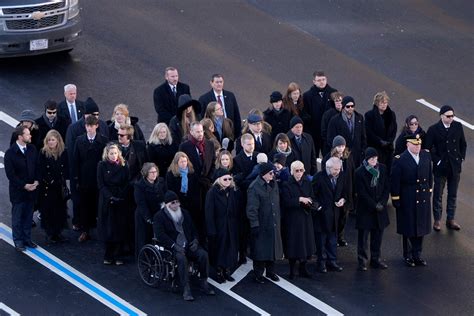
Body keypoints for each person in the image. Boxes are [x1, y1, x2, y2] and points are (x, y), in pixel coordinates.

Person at [154, 191, 215, 301]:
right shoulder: (159, 216)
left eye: (177, 202)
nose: (176, 204)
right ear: (167, 204)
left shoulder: (185, 213)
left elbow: (193, 229)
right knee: (181, 259)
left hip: (187, 244)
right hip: (171, 247)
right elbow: (160, 235)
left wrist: (195, 240)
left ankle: (203, 281)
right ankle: (186, 288)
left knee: (203, 255)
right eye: (173, 202)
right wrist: (174, 245)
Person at [65, 97, 109, 231]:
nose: (96, 118)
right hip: (81, 172)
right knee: (79, 200)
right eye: (92, 115)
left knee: (96, 198)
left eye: (97, 115)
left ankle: (93, 221)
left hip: (97, 172)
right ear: (85, 115)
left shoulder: (103, 126)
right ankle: (79, 222)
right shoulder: (74, 129)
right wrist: (75, 176)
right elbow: (72, 156)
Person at [391, 134, 432, 267]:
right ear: (408, 144)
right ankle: (408, 255)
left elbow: (429, 176)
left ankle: (417, 254)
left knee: (420, 227)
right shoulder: (400, 159)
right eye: (415, 144)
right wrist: (396, 199)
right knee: (409, 228)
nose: (418, 146)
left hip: (422, 197)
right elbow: (395, 181)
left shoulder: (426, 156)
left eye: (419, 144)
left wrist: (429, 191)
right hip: (408, 197)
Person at [425, 105, 467, 231]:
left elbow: (463, 144)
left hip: (454, 167)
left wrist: (461, 158)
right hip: (441, 168)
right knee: (438, 194)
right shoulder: (433, 129)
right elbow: (428, 148)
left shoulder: (457, 126)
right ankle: (437, 220)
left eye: (452, 116)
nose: (451, 118)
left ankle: (451, 219)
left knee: (453, 194)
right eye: (448, 116)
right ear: (442, 116)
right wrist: (437, 161)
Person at [72, 115, 108, 242]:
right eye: (87, 126)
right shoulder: (79, 140)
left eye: (92, 126)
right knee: (85, 206)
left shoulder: (103, 141)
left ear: (96, 126)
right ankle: (85, 231)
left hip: (98, 179)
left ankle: (101, 231)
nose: (89, 128)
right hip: (85, 179)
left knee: (100, 206)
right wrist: (76, 179)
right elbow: (75, 161)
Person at [247, 162, 283, 283]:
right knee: (260, 251)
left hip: (273, 222)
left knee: (272, 249)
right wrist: (254, 224)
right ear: (263, 174)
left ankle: (271, 272)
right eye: (270, 173)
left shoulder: (274, 184)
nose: (273, 175)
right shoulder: (254, 187)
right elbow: (252, 209)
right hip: (262, 223)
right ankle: (258, 274)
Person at [4, 126, 39, 252]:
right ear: (20, 137)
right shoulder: (10, 154)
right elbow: (10, 175)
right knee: (18, 217)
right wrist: (24, 185)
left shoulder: (32, 149)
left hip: (31, 190)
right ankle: (18, 240)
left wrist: (36, 181)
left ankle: (27, 239)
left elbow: (36, 166)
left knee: (29, 216)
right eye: (28, 134)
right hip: (18, 192)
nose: (30, 136)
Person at [355, 148, 390, 271]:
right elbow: (362, 193)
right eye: (371, 159)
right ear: (366, 159)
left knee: (377, 236)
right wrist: (374, 205)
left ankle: (376, 259)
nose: (374, 161)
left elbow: (386, 187)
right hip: (366, 210)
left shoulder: (383, 169)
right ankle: (362, 261)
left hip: (380, 209)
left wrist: (382, 203)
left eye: (375, 158)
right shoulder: (359, 172)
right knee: (363, 237)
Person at [280, 161, 316, 279]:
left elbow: (312, 196)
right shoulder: (286, 184)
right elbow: (286, 202)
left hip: (305, 217)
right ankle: (291, 269)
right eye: (297, 170)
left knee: (305, 243)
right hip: (293, 219)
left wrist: (311, 202)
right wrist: (300, 199)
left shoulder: (307, 182)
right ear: (291, 171)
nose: (299, 173)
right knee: (293, 244)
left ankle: (303, 268)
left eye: (301, 170)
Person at [205, 168, 241, 283]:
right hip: (218, 226)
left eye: (230, 179)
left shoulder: (232, 191)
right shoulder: (212, 192)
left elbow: (236, 209)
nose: (228, 181)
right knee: (219, 249)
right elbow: (209, 213)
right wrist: (211, 230)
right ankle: (218, 272)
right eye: (225, 179)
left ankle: (226, 270)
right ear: (219, 180)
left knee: (230, 249)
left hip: (230, 226)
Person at [97, 143, 130, 265]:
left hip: (120, 199)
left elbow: (127, 181)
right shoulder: (101, 165)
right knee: (108, 228)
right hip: (107, 200)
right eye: (111, 153)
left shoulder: (124, 165)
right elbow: (101, 184)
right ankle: (108, 254)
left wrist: (121, 195)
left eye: (115, 153)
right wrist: (110, 196)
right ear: (107, 154)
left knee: (119, 227)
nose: (113, 155)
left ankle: (118, 254)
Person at [312, 157, 346, 273]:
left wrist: (343, 199)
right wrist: (319, 207)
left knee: (332, 239)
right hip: (322, 215)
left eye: (339, 169)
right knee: (321, 241)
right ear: (328, 168)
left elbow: (344, 191)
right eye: (335, 169)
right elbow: (313, 195)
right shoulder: (319, 177)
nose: (337, 172)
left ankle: (332, 261)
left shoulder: (341, 176)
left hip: (335, 214)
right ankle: (321, 263)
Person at [321, 135, 355, 247]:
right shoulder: (327, 158)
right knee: (334, 216)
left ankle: (340, 236)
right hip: (334, 190)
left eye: (343, 146)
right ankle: (333, 237)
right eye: (339, 146)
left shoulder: (348, 157)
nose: (341, 148)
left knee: (344, 216)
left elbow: (352, 172)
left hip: (347, 189)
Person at [37, 130, 69, 243]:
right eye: (49, 140)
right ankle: (50, 233)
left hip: (59, 187)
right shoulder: (43, 152)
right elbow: (41, 170)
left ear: (58, 141)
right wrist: (49, 181)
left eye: (53, 140)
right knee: (48, 211)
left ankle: (58, 232)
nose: (51, 142)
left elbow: (66, 168)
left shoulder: (63, 152)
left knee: (60, 210)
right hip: (47, 187)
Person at [233, 133, 258, 264]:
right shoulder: (237, 160)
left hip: (257, 199)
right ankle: (242, 253)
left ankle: (254, 251)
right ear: (242, 145)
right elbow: (239, 180)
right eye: (249, 144)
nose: (251, 147)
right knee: (243, 228)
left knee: (254, 227)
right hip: (244, 199)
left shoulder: (258, 157)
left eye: (253, 144)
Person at [134, 163, 167, 257]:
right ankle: (144, 258)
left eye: (155, 171)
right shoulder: (139, 185)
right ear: (146, 174)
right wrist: (148, 218)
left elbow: (165, 195)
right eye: (151, 172)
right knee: (144, 238)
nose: (154, 174)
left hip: (158, 213)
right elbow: (141, 203)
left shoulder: (161, 182)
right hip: (144, 215)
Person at [302, 70, 338, 157]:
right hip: (314, 133)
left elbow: (337, 111)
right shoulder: (307, 95)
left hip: (328, 133)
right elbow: (305, 113)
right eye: (319, 80)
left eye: (323, 79)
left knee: (330, 157)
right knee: (313, 157)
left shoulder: (333, 93)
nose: (322, 82)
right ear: (314, 81)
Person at [327, 96, 366, 167]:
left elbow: (363, 136)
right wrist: (338, 153)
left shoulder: (359, 118)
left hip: (357, 155)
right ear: (343, 107)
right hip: (342, 155)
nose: (350, 108)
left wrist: (362, 151)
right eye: (348, 106)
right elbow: (330, 138)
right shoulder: (335, 120)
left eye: (352, 106)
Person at [198, 73, 242, 138]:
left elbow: (236, 116)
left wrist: (238, 135)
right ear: (211, 83)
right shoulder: (204, 98)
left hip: (229, 132)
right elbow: (201, 118)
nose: (219, 84)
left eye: (221, 82)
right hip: (213, 134)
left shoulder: (230, 96)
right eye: (217, 82)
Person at [166, 152, 200, 232]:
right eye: (181, 162)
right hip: (178, 201)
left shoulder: (192, 172)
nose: (184, 163)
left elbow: (196, 189)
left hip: (191, 201)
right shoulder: (171, 174)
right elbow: (170, 189)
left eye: (185, 161)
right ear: (176, 163)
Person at [364, 91, 397, 174]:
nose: (384, 104)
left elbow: (394, 129)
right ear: (376, 103)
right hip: (376, 148)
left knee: (388, 172)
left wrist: (389, 141)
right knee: (377, 171)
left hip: (388, 149)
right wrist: (380, 141)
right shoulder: (369, 115)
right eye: (382, 102)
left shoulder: (391, 114)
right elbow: (369, 132)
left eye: (386, 102)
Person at [321, 92, 344, 156]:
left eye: (340, 100)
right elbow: (324, 131)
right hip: (330, 147)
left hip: (343, 147)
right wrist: (331, 144)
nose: (339, 103)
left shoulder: (345, 113)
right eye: (336, 101)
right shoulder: (327, 115)